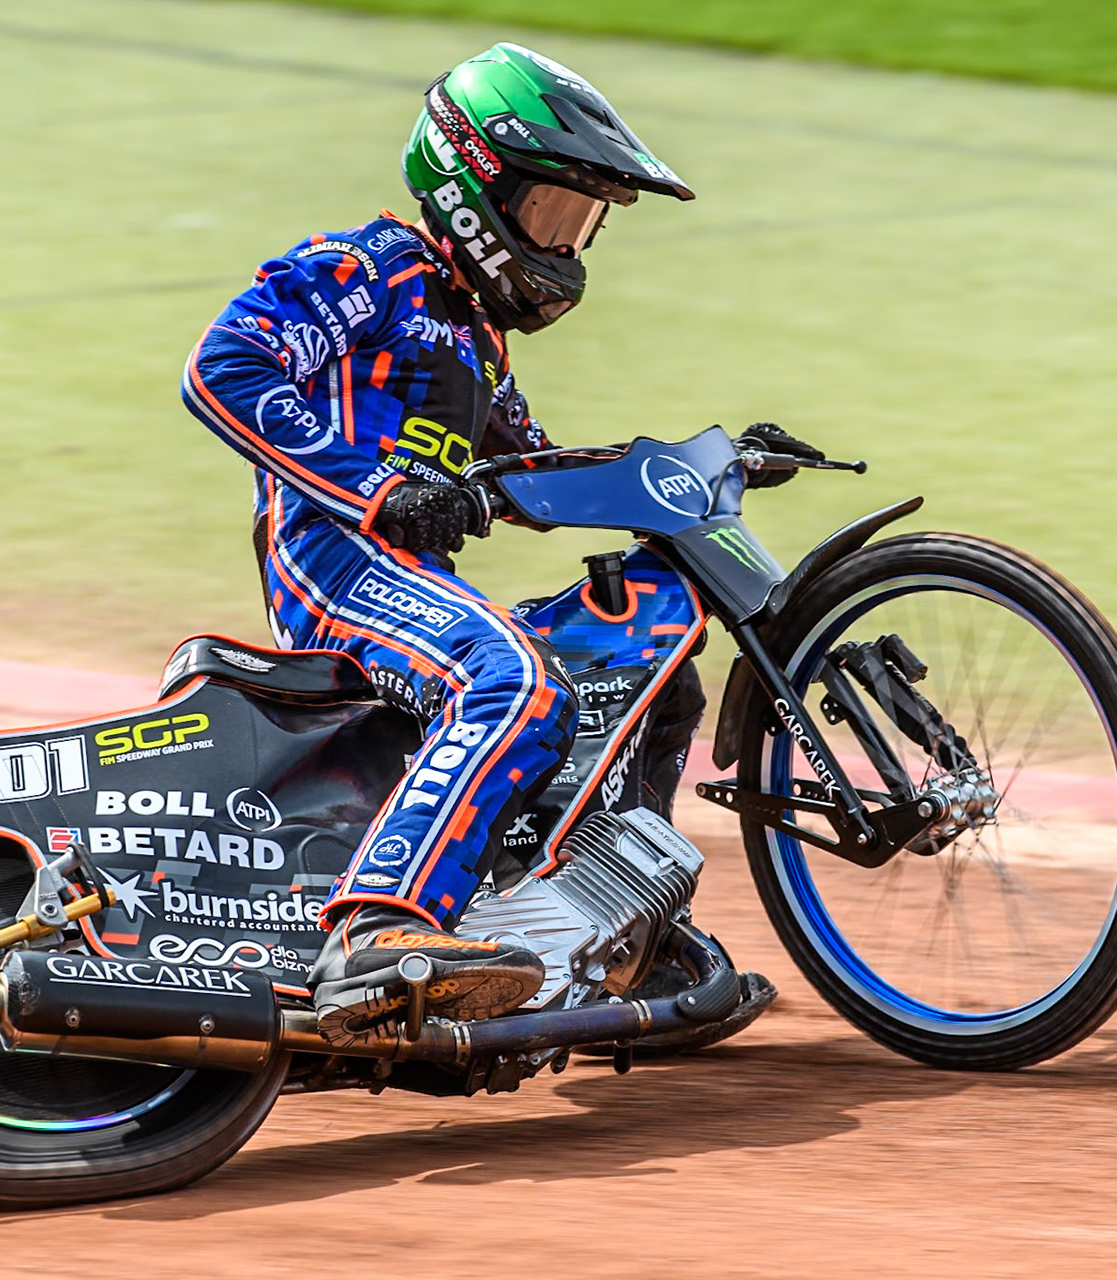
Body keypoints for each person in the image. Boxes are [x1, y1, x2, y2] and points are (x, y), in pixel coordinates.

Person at [182, 42, 809, 1045]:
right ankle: (380, 929)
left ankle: (620, 926)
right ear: (475, 183)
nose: (569, 244)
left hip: (408, 576)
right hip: (338, 565)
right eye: (554, 212)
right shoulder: (367, 271)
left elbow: (537, 474)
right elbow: (225, 367)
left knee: (647, 668)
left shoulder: (471, 337)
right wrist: (380, 490)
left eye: (583, 222)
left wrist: (712, 469)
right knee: (510, 678)